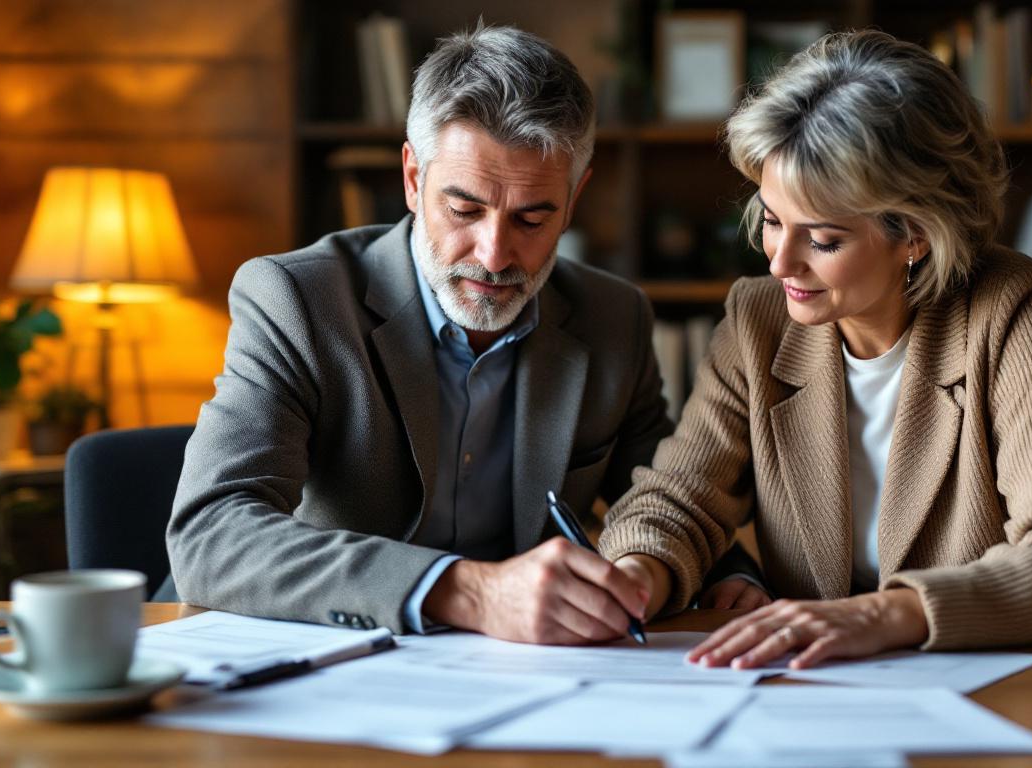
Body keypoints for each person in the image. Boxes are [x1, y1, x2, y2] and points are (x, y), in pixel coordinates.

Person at [167, 23, 767, 644]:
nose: (494, 254)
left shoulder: (613, 317)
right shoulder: (296, 300)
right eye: (464, 210)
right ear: (412, 178)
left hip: (517, 670)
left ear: (574, 199)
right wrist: (468, 591)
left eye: (532, 219)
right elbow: (211, 534)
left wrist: (726, 574)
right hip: (310, 654)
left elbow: (666, 496)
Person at [600, 29, 1032, 669]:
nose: (780, 263)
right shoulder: (757, 319)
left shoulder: (1015, 309)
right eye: (772, 220)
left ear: (915, 234)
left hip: (1000, 685)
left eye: (822, 241)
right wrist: (636, 575)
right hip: (815, 687)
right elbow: (678, 501)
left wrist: (884, 615)